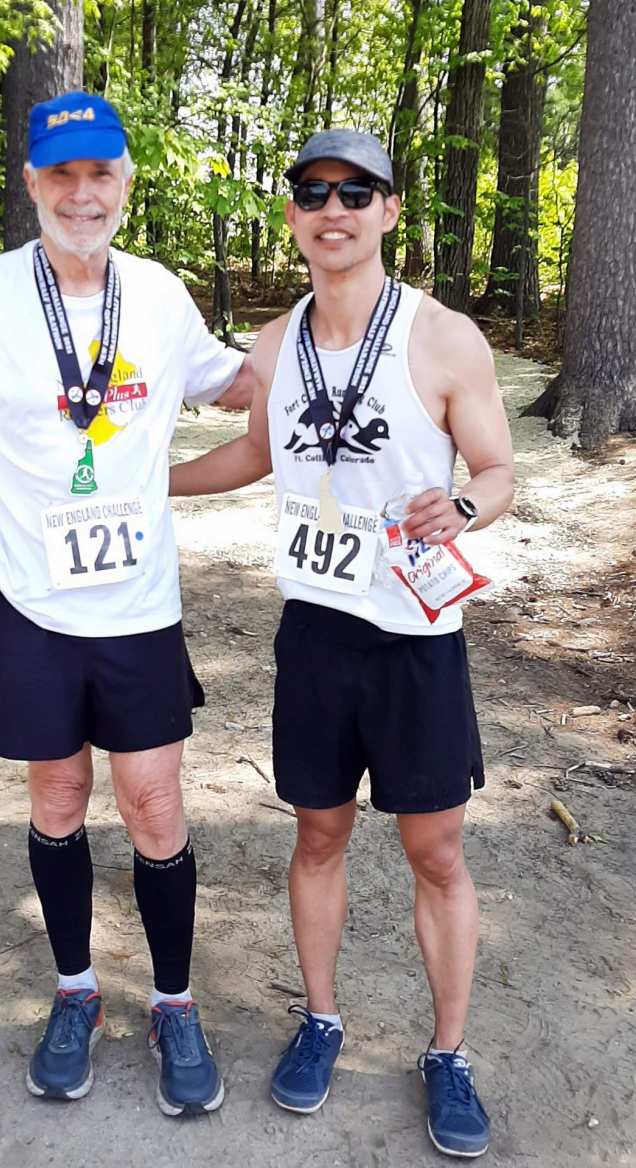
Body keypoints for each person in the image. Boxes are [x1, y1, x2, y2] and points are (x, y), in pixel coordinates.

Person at [170, 129, 514, 1158]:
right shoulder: (274, 345)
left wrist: (461, 502)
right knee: (317, 835)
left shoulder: (444, 337)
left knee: (436, 850)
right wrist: (153, 483)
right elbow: (251, 450)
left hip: (416, 635)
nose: (334, 209)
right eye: (314, 192)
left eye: (355, 192)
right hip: (316, 632)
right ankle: (320, 1020)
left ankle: (448, 1054)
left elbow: (497, 470)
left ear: (389, 211)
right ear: (293, 215)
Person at [0, 91, 254, 1115]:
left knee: (154, 803)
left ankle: (175, 1003)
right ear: (32, 185)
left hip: (140, 608)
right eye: (61, 174)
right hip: (28, 603)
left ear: (126, 184)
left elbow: (237, 384)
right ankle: (74, 991)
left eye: (100, 172)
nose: (81, 192)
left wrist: (346, 321)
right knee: (57, 798)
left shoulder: (156, 294)